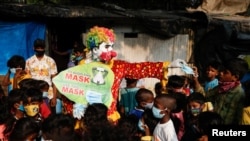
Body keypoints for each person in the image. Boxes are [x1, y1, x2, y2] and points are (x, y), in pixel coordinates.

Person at [53, 26, 194, 123]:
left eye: (112, 46)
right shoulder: (81, 68)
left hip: (109, 118)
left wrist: (169, 64)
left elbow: (140, 68)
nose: (112, 51)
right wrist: (76, 107)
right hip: (86, 120)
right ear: (95, 49)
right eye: (107, 46)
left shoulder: (117, 66)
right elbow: (69, 92)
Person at [206, 57, 248, 125]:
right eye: (222, 70)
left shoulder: (239, 94)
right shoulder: (219, 87)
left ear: (235, 77)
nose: (221, 73)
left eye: (225, 72)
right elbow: (206, 96)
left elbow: (238, 119)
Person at [25, 38, 58, 110]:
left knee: (48, 118)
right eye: (38, 48)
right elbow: (27, 81)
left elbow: (55, 80)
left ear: (44, 48)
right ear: (34, 48)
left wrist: (54, 97)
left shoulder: (51, 61)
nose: (40, 49)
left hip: (48, 95)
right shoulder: (29, 61)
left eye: (41, 48)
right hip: (34, 95)